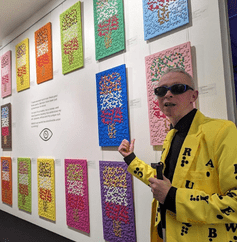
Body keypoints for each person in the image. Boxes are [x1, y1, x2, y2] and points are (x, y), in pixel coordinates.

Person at [118, 68, 237, 242]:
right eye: (161, 91)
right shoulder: (171, 135)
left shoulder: (222, 131)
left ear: (193, 96)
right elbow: (164, 183)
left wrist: (173, 196)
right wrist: (131, 159)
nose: (167, 94)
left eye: (177, 88)